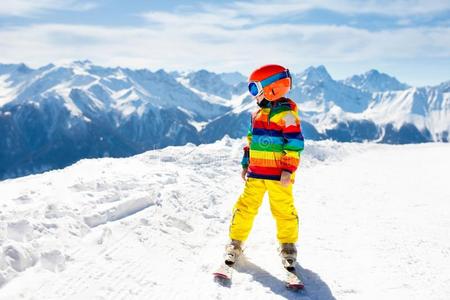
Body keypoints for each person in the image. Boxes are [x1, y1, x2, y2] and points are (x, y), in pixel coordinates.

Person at [224, 64, 304, 269]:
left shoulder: (287, 116)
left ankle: (288, 246)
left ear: (272, 89)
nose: (253, 96)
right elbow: (251, 142)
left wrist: (288, 169)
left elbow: (294, 145)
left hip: (279, 177)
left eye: (254, 90)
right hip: (256, 174)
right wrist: (245, 164)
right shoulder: (256, 116)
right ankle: (235, 242)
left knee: (283, 210)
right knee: (244, 208)